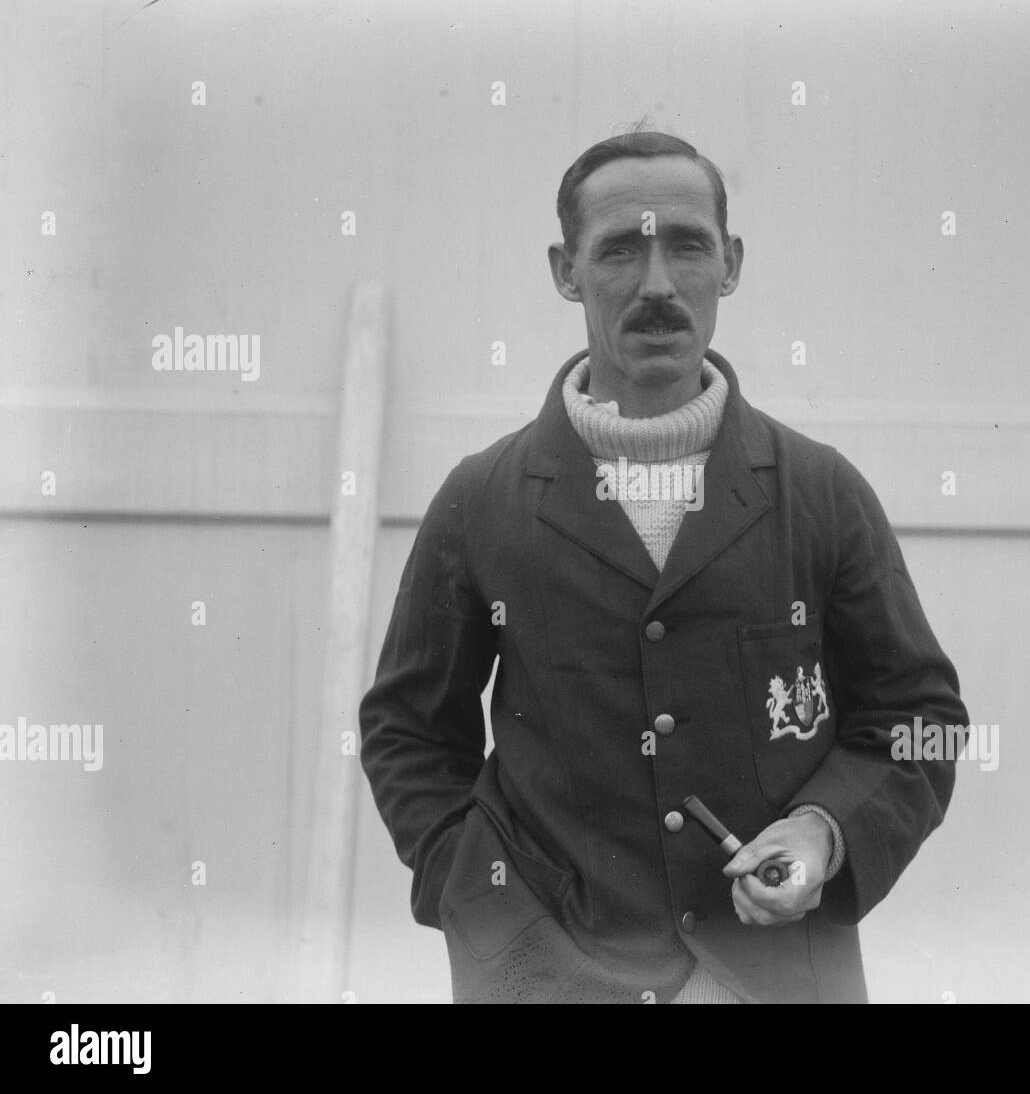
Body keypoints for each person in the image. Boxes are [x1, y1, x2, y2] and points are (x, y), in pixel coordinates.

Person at [359, 129, 969, 1003]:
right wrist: (482, 902)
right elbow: (409, 733)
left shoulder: (821, 492)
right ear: (565, 271)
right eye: (618, 250)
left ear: (732, 263)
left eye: (687, 244)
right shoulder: (482, 499)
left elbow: (921, 720)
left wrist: (819, 833)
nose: (656, 285)